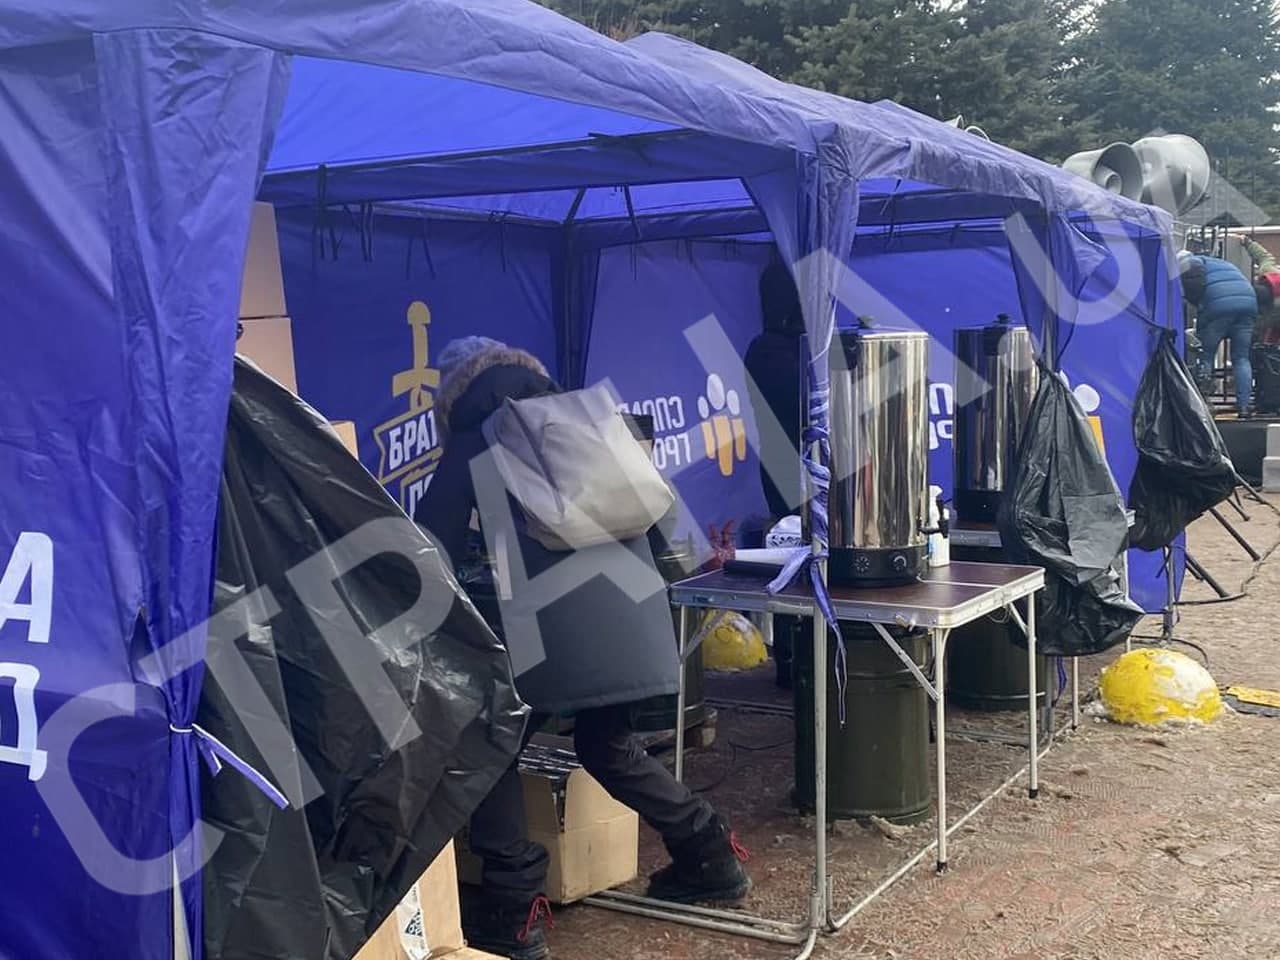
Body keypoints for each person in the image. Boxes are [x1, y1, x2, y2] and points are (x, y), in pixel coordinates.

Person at [415, 339, 750, 960]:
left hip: (548, 637)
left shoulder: (475, 439)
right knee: (606, 743)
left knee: (490, 749)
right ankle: (708, 852)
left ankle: (512, 911)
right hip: (636, 617)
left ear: (456, 398)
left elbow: (429, 548)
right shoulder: (594, 422)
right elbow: (668, 529)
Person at [744, 261, 806, 520]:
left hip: (783, 469)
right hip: (795, 472)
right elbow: (800, 405)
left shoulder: (761, 348)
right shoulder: (775, 351)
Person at [1181, 252, 1260, 418]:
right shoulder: (1223, 264)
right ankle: (1244, 407)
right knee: (1241, 358)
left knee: (1206, 354)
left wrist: (1200, 326)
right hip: (1248, 304)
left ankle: (1201, 402)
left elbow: (1194, 288)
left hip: (1219, 306)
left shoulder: (1191, 262)